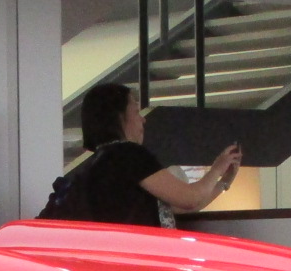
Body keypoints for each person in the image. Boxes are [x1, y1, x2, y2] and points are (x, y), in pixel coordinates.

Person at [43, 83, 240, 226]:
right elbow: (189, 198)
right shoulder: (127, 155)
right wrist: (217, 168)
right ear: (119, 117)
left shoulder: (98, 163)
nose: (143, 120)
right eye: (136, 111)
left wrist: (224, 182)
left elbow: (181, 205)